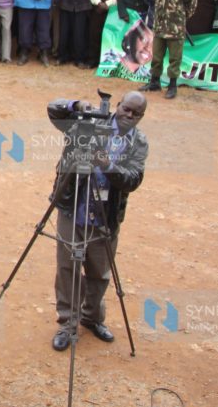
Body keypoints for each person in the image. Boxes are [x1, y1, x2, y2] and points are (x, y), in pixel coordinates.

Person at [48, 93, 148, 351]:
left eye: (136, 114)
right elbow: (54, 110)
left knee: (100, 273)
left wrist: (108, 165)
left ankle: (92, 318)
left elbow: (133, 180)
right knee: (67, 268)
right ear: (118, 106)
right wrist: (77, 106)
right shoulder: (89, 123)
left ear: (141, 117)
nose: (129, 116)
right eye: (126, 109)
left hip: (106, 215)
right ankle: (67, 324)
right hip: (74, 207)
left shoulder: (139, 142)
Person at [140, 0, 196, 99]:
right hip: (159, 25)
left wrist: (181, 17)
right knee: (156, 56)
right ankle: (154, 82)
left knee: (174, 58)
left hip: (175, 27)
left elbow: (191, 3)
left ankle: (172, 86)